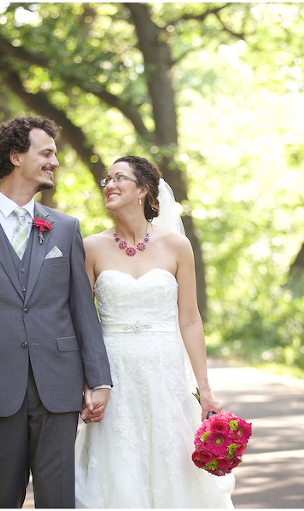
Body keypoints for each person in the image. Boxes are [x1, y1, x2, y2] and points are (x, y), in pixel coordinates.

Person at [0, 115, 112, 508]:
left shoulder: (65, 228)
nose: (54, 161)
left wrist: (99, 379)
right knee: (1, 496)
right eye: (47, 152)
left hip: (60, 384)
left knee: (58, 499)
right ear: (16, 156)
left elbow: (81, 309)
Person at [73, 155, 235, 508]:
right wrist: (89, 384)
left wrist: (204, 390)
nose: (109, 185)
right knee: (118, 468)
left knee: (171, 466)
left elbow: (190, 319)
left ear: (143, 190)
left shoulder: (177, 246)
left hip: (166, 374)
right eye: (106, 180)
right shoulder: (89, 247)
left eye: (119, 178)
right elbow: (84, 324)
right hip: (113, 376)